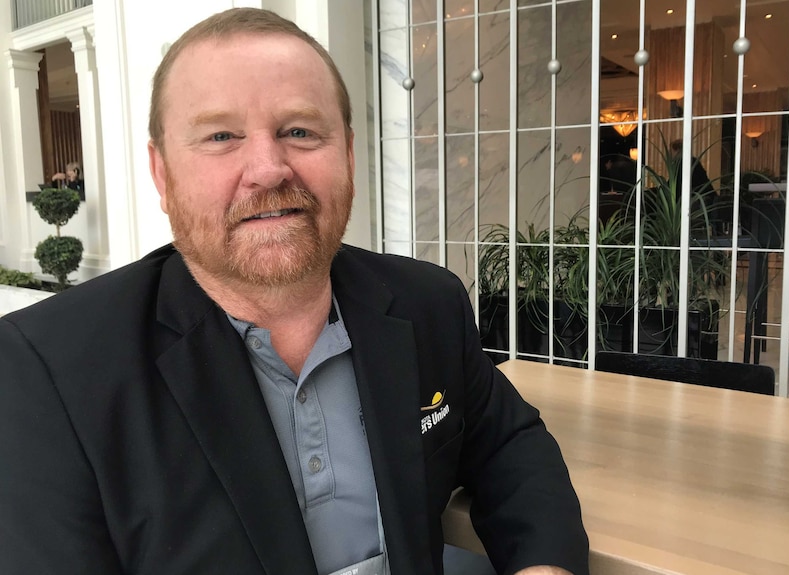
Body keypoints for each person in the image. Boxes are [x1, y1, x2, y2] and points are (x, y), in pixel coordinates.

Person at [0, 8, 589, 575]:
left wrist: (544, 564)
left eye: (301, 131)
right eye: (221, 135)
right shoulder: (51, 368)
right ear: (162, 174)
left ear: (350, 155)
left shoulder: (425, 301)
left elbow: (510, 445)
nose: (269, 167)